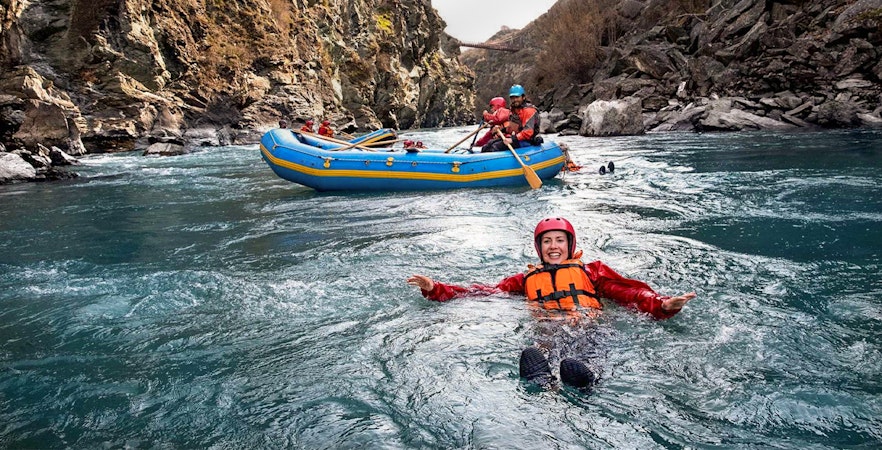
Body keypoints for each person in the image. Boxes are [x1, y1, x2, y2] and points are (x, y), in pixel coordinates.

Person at [407, 217, 696, 389]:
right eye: (547, 242)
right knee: (542, 346)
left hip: (587, 324)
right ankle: (543, 381)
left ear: (570, 245)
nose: (553, 246)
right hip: (549, 326)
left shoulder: (591, 271)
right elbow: (482, 292)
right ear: (539, 247)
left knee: (586, 349)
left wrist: (661, 305)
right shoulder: (525, 278)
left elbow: (629, 294)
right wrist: (437, 289)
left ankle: (586, 380)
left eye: (559, 240)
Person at [481, 84, 542, 153]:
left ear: (523, 97)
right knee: (487, 146)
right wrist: (501, 129)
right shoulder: (513, 110)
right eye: (512, 97)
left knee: (495, 147)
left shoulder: (529, 111)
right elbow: (512, 125)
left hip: (528, 140)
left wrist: (512, 139)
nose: (515, 100)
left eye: (517, 97)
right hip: (516, 138)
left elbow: (528, 132)